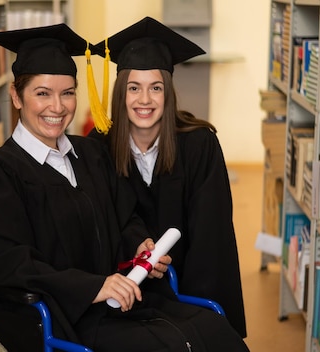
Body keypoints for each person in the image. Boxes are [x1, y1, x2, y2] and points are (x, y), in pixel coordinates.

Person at [0, 23, 249, 351]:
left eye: (67, 93)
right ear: (16, 95)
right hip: (66, 318)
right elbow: (7, 261)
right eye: (43, 93)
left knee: (215, 331)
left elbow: (124, 217)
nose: (57, 107)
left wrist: (139, 244)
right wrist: (92, 287)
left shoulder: (90, 155)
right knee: (173, 345)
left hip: (124, 303)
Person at [88, 16, 247, 338]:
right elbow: (102, 222)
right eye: (134, 88)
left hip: (187, 285)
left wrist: (199, 308)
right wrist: (134, 247)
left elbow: (211, 240)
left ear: (168, 93)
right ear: (121, 93)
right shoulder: (97, 147)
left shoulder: (199, 144)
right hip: (125, 288)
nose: (144, 100)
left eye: (155, 88)